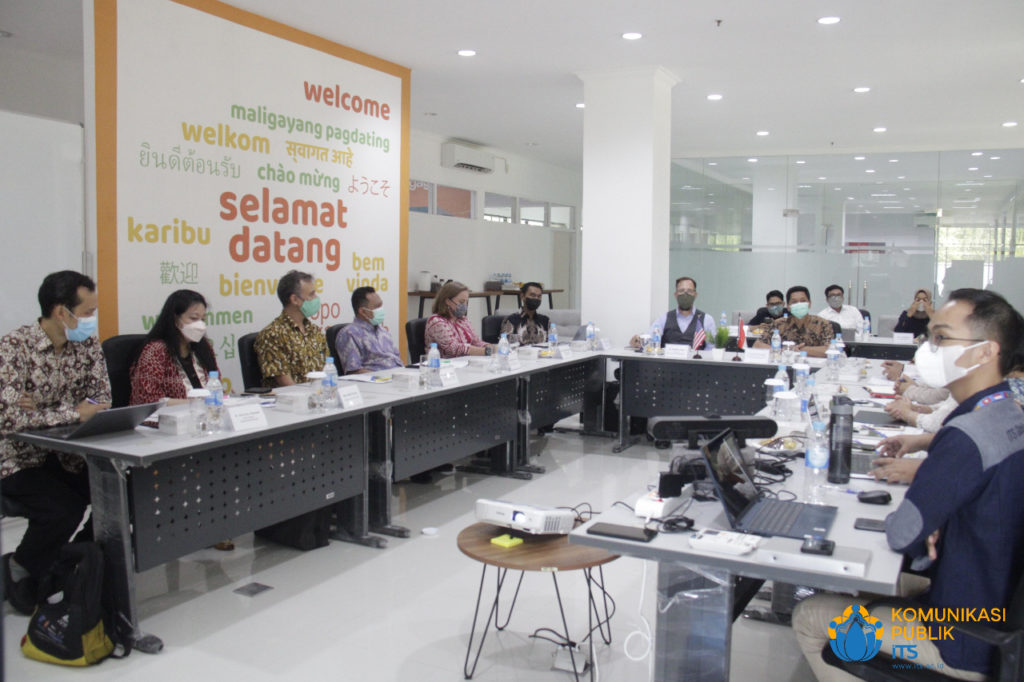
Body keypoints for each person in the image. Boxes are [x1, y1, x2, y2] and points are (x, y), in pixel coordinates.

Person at [793, 288, 1024, 681]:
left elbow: (903, 534)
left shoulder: (968, 435)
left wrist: (926, 523)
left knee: (810, 615)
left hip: (962, 636)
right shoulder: (1007, 415)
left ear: (986, 351)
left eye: (941, 338)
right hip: (992, 608)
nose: (929, 349)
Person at [0, 271, 111, 614]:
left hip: (65, 453)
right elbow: (9, 418)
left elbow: (102, 398)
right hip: (16, 458)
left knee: (114, 493)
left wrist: (48, 410)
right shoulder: (14, 348)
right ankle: (22, 568)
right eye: (88, 312)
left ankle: (64, 562)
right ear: (62, 312)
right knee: (63, 508)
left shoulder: (87, 345)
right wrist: (72, 412)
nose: (92, 320)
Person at [130, 289, 219, 405]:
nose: (200, 325)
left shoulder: (204, 347)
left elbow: (216, 384)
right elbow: (149, 401)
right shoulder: (155, 351)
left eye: (203, 319)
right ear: (175, 319)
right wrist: (195, 403)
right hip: (166, 419)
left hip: (203, 415)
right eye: (193, 318)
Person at [255, 270, 329, 387]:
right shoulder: (273, 334)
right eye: (311, 294)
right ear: (295, 299)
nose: (316, 298)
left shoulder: (315, 331)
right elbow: (286, 384)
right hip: (291, 401)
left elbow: (328, 370)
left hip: (321, 397)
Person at [629, 276, 717, 349]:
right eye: (681, 291)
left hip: (697, 368)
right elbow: (650, 341)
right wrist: (637, 341)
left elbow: (712, 350)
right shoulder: (664, 319)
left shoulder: (707, 320)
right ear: (675, 294)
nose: (685, 295)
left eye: (689, 291)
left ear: (695, 294)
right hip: (667, 368)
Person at [335, 286, 402, 374]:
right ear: (362, 311)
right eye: (377, 307)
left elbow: (397, 360)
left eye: (381, 305)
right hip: (375, 382)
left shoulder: (383, 332)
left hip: (397, 378)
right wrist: (383, 377)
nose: (381, 310)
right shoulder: (349, 333)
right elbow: (354, 371)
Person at [753, 286, 833, 357]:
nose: (799, 304)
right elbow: (757, 345)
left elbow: (830, 350)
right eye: (794, 302)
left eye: (803, 301)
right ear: (788, 307)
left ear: (809, 303)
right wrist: (783, 350)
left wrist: (801, 350)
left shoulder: (823, 324)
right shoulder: (778, 324)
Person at [424, 281, 492, 358]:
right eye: (461, 302)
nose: (465, 305)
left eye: (466, 302)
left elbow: (476, 342)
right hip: (441, 366)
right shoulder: (436, 321)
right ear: (448, 301)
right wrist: (486, 351)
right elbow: (453, 348)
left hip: (463, 364)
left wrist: (492, 347)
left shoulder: (463, 320)